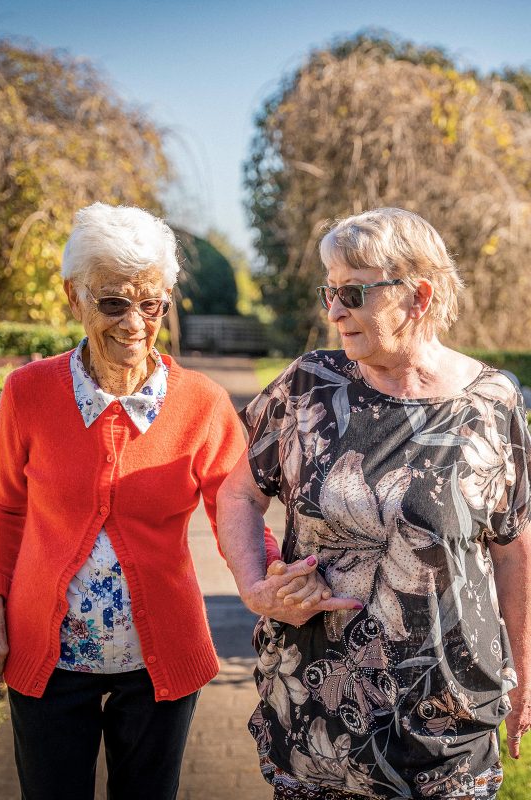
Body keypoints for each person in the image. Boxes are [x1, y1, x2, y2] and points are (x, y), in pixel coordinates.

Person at [0, 202, 302, 800]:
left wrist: (266, 575)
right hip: (48, 656)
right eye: (113, 302)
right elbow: (6, 508)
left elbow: (234, 506)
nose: (136, 324)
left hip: (159, 659)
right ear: (74, 298)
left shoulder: (202, 402)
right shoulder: (29, 392)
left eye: (152, 305)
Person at [217, 207, 531, 800]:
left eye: (353, 292)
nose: (334, 310)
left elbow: (515, 546)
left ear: (419, 296)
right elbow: (237, 490)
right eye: (329, 291)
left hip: (450, 722)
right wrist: (254, 587)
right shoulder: (309, 385)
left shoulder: (493, 401)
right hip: (319, 717)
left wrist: (525, 678)